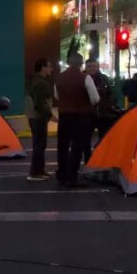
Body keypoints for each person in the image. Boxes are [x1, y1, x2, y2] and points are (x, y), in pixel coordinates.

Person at [55, 52, 100, 188]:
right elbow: (95, 99)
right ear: (81, 64)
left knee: (62, 146)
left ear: (68, 63)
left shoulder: (59, 78)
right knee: (77, 146)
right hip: (81, 116)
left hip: (64, 115)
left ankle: (62, 174)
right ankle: (72, 177)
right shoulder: (85, 78)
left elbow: (57, 96)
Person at [25, 59, 56, 181]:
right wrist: (50, 115)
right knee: (39, 145)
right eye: (49, 66)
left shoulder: (34, 80)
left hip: (34, 117)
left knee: (40, 144)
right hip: (38, 118)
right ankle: (35, 173)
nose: (51, 69)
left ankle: (40, 170)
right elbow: (39, 103)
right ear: (43, 68)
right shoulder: (41, 83)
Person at [86, 59, 116, 150]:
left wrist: (108, 105)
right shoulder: (83, 78)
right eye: (89, 67)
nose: (92, 68)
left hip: (103, 114)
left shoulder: (104, 78)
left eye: (94, 66)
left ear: (97, 67)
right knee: (85, 139)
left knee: (104, 137)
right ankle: (88, 157)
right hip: (87, 114)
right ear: (86, 67)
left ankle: (101, 156)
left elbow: (110, 93)